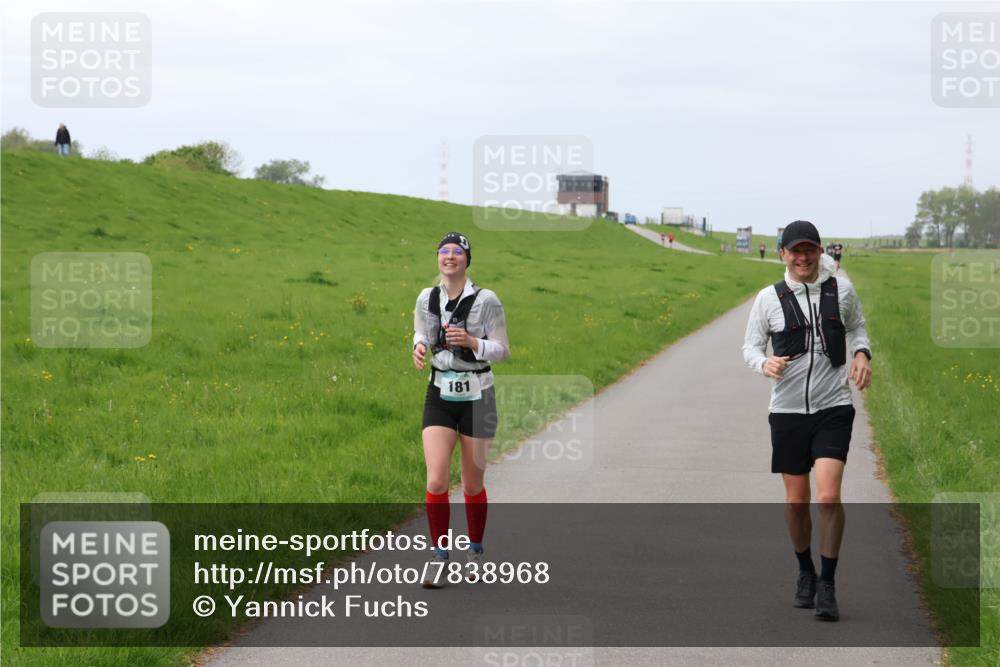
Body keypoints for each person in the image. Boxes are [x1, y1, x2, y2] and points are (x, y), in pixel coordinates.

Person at [742, 220, 872, 622]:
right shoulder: (769, 299)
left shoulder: (841, 291)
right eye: (795, 251)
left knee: (828, 496)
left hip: (834, 406)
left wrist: (862, 354)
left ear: (820, 252)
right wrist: (764, 363)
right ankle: (805, 571)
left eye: (809, 250)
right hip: (787, 412)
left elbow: (857, 327)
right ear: (782, 254)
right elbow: (749, 346)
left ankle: (828, 583)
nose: (802, 258)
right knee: (798, 501)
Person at [412, 232, 509, 587]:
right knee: (436, 479)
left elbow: (502, 349)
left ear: (467, 259)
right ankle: (439, 556)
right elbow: (420, 333)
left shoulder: (487, 301)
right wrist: (420, 348)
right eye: (444, 251)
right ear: (437, 257)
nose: (449, 256)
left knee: (471, 484)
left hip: (477, 395)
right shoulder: (427, 298)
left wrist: (473, 343)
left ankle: (476, 551)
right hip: (439, 393)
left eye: (457, 252)